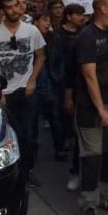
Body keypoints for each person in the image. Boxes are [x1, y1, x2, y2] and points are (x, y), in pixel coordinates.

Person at [0, 0, 46, 186]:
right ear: (2, 11)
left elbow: (41, 56)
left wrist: (32, 81)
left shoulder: (32, 31)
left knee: (28, 133)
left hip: (26, 90)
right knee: (8, 134)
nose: (14, 10)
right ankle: (10, 172)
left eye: (16, 6)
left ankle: (27, 171)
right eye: (9, 7)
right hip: (5, 94)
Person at [73, 0, 108, 215]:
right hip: (91, 106)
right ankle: (88, 204)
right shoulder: (87, 36)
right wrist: (101, 110)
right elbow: (89, 76)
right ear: (103, 9)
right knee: (91, 156)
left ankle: (107, 196)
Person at [58, 3, 87, 192]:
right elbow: (66, 68)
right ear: (68, 16)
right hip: (78, 90)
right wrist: (67, 95)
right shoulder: (59, 36)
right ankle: (76, 172)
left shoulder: (86, 33)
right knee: (81, 137)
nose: (81, 18)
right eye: (78, 14)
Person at [34, 12, 69, 161]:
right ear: (36, 22)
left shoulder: (54, 38)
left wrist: (59, 77)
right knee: (33, 120)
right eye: (44, 19)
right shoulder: (29, 37)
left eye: (49, 20)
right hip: (35, 83)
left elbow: (60, 59)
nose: (47, 23)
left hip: (52, 82)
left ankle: (59, 147)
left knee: (55, 117)